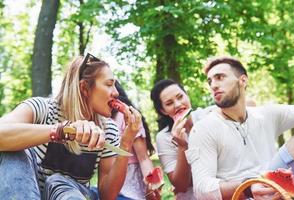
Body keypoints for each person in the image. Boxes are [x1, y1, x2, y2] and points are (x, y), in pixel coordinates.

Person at [0, 53, 142, 200]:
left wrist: (126, 142)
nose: (116, 93)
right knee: (13, 150)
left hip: (69, 195)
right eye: (109, 84)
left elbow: (107, 196)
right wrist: (61, 131)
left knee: (58, 181)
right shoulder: (42, 109)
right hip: (26, 192)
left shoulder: (108, 130)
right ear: (85, 88)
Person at [186, 56, 294, 199]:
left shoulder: (266, 115)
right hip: (241, 195)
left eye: (219, 77)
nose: (213, 85)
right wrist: (248, 186)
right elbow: (202, 189)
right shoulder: (203, 128)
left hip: (278, 191)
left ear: (243, 80)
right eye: (210, 81)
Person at [150, 79, 214, 200]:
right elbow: (181, 186)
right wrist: (182, 147)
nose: (178, 104)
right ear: (163, 110)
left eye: (180, 97)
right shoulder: (163, 137)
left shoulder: (206, 116)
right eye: (169, 103)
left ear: (187, 95)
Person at [111, 81, 159, 200]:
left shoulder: (126, 116)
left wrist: (152, 184)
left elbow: (143, 158)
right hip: (110, 182)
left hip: (130, 186)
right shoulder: (97, 119)